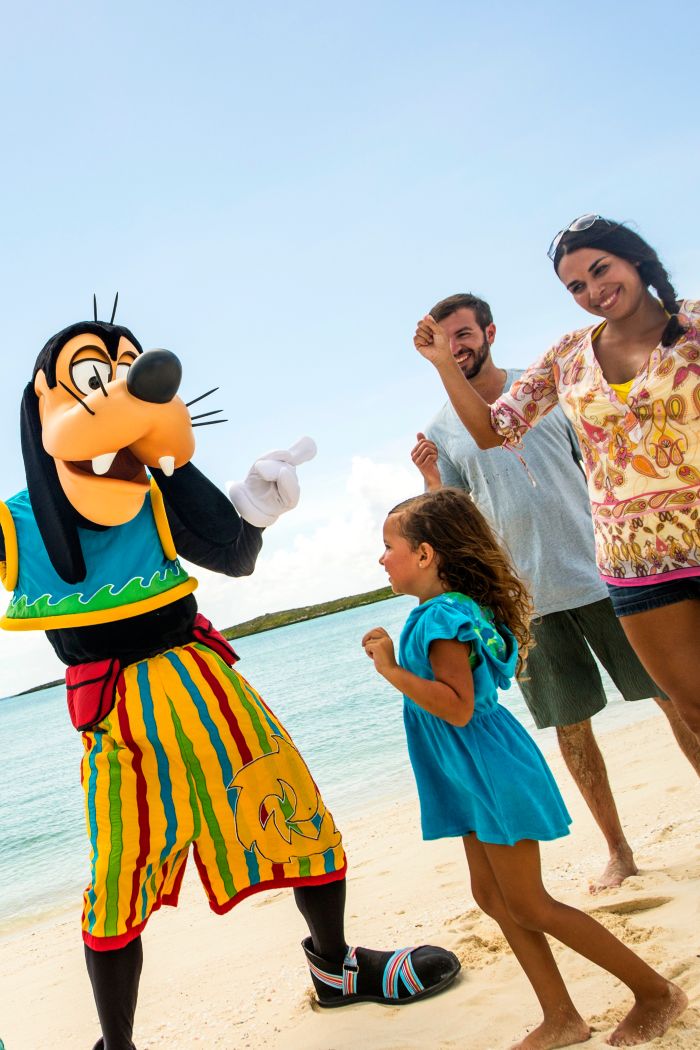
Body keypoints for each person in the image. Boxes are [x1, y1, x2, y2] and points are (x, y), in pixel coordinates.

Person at [0, 314, 459, 1050]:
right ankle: (116, 1045)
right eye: (94, 374)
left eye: (127, 366)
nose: (126, 384)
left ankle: (336, 971)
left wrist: (256, 506)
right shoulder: (17, 525)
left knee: (296, 812)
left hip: (208, 685)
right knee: (116, 876)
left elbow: (233, 555)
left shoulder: (157, 487)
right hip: (117, 717)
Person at [361, 489, 688, 1049]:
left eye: (387, 546)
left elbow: (457, 706)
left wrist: (390, 668)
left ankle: (655, 991)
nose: (380, 558)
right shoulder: (436, 612)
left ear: (424, 554)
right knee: (492, 897)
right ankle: (561, 1016)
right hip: (465, 772)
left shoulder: (443, 618)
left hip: (488, 767)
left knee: (530, 901)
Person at [410, 292, 700, 892]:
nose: (457, 346)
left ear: (489, 331)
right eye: (445, 338)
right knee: (571, 729)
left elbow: (600, 462)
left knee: (676, 700)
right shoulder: (443, 428)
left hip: (608, 577)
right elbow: (462, 520)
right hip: (525, 604)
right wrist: (432, 480)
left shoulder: (543, 392)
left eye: (464, 333)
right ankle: (619, 851)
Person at [413, 217, 700, 739]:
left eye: (600, 270)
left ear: (633, 258)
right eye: (576, 286)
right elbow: (491, 431)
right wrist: (443, 365)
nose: (593, 291)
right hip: (633, 563)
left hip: (684, 540)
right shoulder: (567, 358)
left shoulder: (693, 323)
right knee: (694, 708)